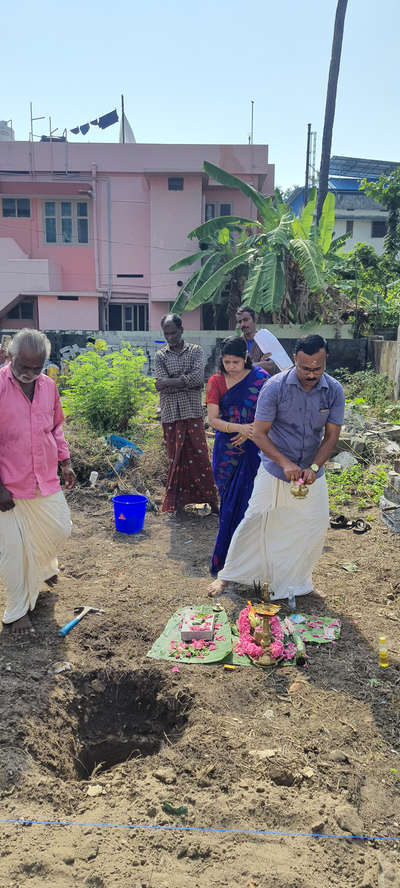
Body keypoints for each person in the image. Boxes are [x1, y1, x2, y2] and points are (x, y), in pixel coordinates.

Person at [208, 334, 345, 600]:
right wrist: (285, 463)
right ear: (295, 360)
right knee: (254, 519)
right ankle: (228, 576)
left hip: (311, 473)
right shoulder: (275, 387)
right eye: (305, 368)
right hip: (273, 468)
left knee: (314, 525)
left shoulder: (334, 390)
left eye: (318, 368)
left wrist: (314, 468)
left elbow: (331, 437)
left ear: (325, 361)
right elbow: (259, 434)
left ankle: (301, 581)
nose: (311, 374)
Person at [0, 329, 75, 638]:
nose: (31, 373)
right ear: (10, 357)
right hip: (8, 485)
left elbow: (55, 427)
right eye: (24, 366)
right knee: (13, 551)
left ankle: (43, 567)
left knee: (60, 528)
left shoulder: (48, 387)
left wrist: (66, 460)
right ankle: (17, 611)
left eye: (38, 367)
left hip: (43, 477)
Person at [206, 337, 269, 575]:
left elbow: (270, 411)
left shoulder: (261, 378)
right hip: (227, 449)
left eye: (235, 362)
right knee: (229, 504)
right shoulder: (216, 381)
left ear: (245, 358)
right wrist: (239, 429)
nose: (230, 366)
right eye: (226, 362)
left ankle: (250, 561)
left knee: (252, 502)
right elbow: (213, 420)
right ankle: (227, 560)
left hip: (256, 446)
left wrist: (250, 430)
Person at [155, 314, 218, 515]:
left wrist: (170, 382)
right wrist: (184, 382)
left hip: (192, 412)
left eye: (173, 332)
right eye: (167, 334)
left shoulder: (195, 351)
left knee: (199, 457)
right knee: (175, 459)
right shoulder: (160, 356)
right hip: (171, 414)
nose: (170, 337)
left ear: (182, 330)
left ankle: (207, 501)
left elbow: (198, 379)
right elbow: (160, 384)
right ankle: (179, 504)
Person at [236, 305, 278, 374]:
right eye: (240, 322)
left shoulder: (267, 339)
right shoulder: (237, 343)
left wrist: (247, 366)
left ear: (255, 319)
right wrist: (261, 363)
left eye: (246, 320)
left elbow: (271, 366)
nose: (243, 324)